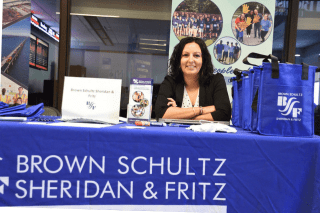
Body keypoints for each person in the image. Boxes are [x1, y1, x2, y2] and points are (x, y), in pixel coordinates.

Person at [155, 37, 231, 121]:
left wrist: (179, 114)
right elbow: (160, 113)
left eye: (196, 55)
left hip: (206, 134)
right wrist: (201, 110)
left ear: (203, 61)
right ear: (179, 61)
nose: (191, 60)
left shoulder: (216, 80)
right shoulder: (170, 82)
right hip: (177, 134)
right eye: (185, 55)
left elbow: (224, 114)